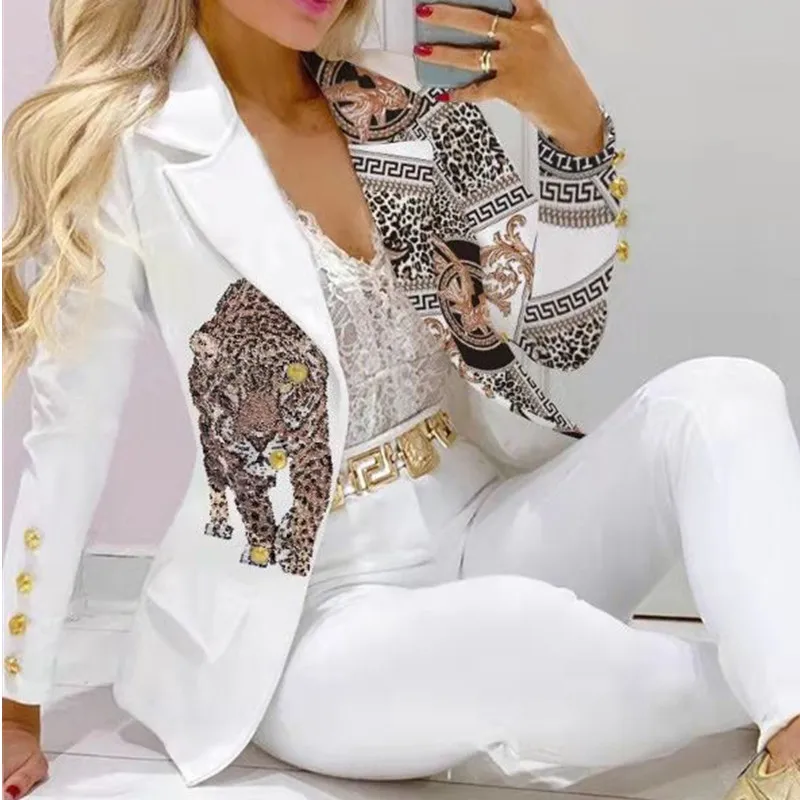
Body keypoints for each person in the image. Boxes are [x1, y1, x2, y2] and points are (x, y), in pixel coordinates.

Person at [2, 1, 799, 798]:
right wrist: (15, 701)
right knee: (519, 631)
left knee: (724, 394)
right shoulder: (130, 148)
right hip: (306, 623)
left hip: (484, 522)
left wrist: (575, 129)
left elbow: (561, 336)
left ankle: (787, 713)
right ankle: (775, 689)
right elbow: (73, 432)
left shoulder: (401, 98)